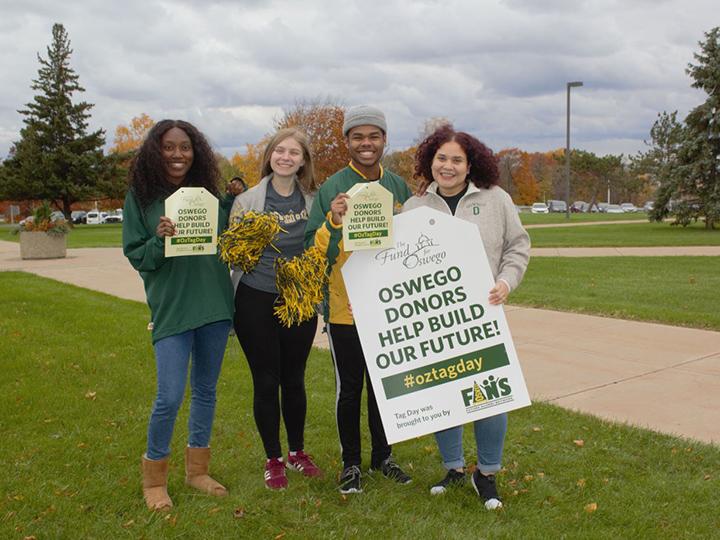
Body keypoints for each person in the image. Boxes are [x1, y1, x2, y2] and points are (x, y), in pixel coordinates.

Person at [403, 125, 530, 509]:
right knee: (445, 393)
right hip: (437, 322)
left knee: (490, 396)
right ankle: (454, 468)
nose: (448, 165)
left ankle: (486, 473)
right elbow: (394, 269)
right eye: (441, 158)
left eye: (457, 159)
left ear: (470, 163)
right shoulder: (415, 208)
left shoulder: (496, 200)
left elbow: (518, 247)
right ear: (431, 161)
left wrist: (506, 283)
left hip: (482, 317)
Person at [123, 120, 235, 511]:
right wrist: (159, 238)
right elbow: (138, 256)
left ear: (196, 151)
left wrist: (234, 200)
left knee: (205, 390)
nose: (177, 154)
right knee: (169, 396)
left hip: (215, 305)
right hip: (172, 307)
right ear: (156, 151)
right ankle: (154, 478)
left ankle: (197, 470)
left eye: (185, 147)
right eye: (169, 147)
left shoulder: (208, 195)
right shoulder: (141, 198)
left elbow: (232, 238)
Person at [305, 105, 413, 494]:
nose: (366, 144)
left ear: (384, 140)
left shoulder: (400, 188)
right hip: (344, 309)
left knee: (385, 387)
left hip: (389, 307)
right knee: (349, 389)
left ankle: (384, 457)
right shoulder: (332, 188)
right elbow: (311, 250)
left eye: (374, 136)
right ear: (346, 141)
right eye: (358, 136)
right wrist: (333, 222)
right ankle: (351, 463)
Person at [229, 128, 321, 490]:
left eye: (293, 152)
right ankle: (273, 458)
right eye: (279, 150)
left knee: (295, 378)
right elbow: (233, 253)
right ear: (269, 155)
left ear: (303, 161)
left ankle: (297, 452)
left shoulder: (313, 199)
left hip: (297, 296)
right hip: (255, 295)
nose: (285, 157)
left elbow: (323, 243)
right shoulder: (249, 200)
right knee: (266, 380)